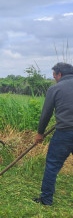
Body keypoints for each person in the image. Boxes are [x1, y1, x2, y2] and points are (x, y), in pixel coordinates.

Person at [33, 62, 73, 206]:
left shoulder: (55, 88)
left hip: (65, 133)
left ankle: (46, 199)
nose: (54, 78)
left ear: (59, 74)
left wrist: (40, 133)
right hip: (66, 129)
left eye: (54, 76)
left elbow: (46, 114)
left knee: (52, 165)